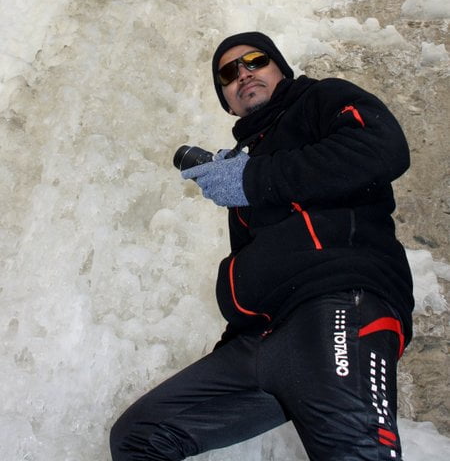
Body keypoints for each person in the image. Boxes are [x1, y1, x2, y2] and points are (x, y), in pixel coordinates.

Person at [110, 31, 414, 461]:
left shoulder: (320, 100)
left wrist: (253, 178)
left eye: (255, 60)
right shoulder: (248, 165)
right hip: (263, 342)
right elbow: (263, 264)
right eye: (228, 74)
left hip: (337, 304)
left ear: (281, 70)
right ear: (227, 101)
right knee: (139, 437)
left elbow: (384, 149)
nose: (243, 74)